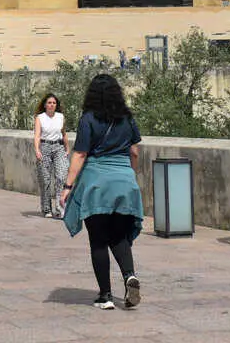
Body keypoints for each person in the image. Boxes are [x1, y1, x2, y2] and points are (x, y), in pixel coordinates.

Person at [60, 74, 144, 311]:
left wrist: (67, 187)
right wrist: (131, 176)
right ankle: (129, 276)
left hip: (97, 182)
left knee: (98, 240)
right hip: (124, 181)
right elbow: (135, 151)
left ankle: (105, 295)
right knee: (118, 236)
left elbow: (80, 154)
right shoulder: (127, 119)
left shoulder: (88, 119)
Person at [33, 93, 70, 219]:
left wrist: (67, 148)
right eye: (49, 102)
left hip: (59, 147)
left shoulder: (61, 117)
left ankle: (60, 208)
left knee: (61, 176)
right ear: (45, 105)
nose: (52, 105)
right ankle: (47, 209)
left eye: (54, 103)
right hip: (45, 147)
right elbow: (37, 135)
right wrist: (37, 150)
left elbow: (64, 134)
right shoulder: (40, 118)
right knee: (45, 180)